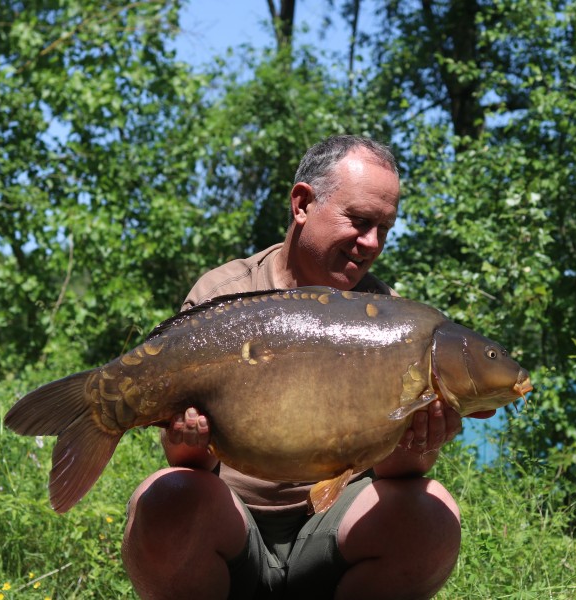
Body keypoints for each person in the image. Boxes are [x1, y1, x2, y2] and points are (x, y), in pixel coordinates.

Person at [121, 135, 495, 600]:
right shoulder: (224, 298)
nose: (372, 243)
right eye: (359, 222)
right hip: (233, 527)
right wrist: (186, 437)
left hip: (334, 531)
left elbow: (400, 475)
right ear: (302, 204)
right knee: (166, 496)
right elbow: (185, 462)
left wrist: (422, 438)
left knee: (432, 511)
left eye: (384, 228)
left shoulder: (393, 320)